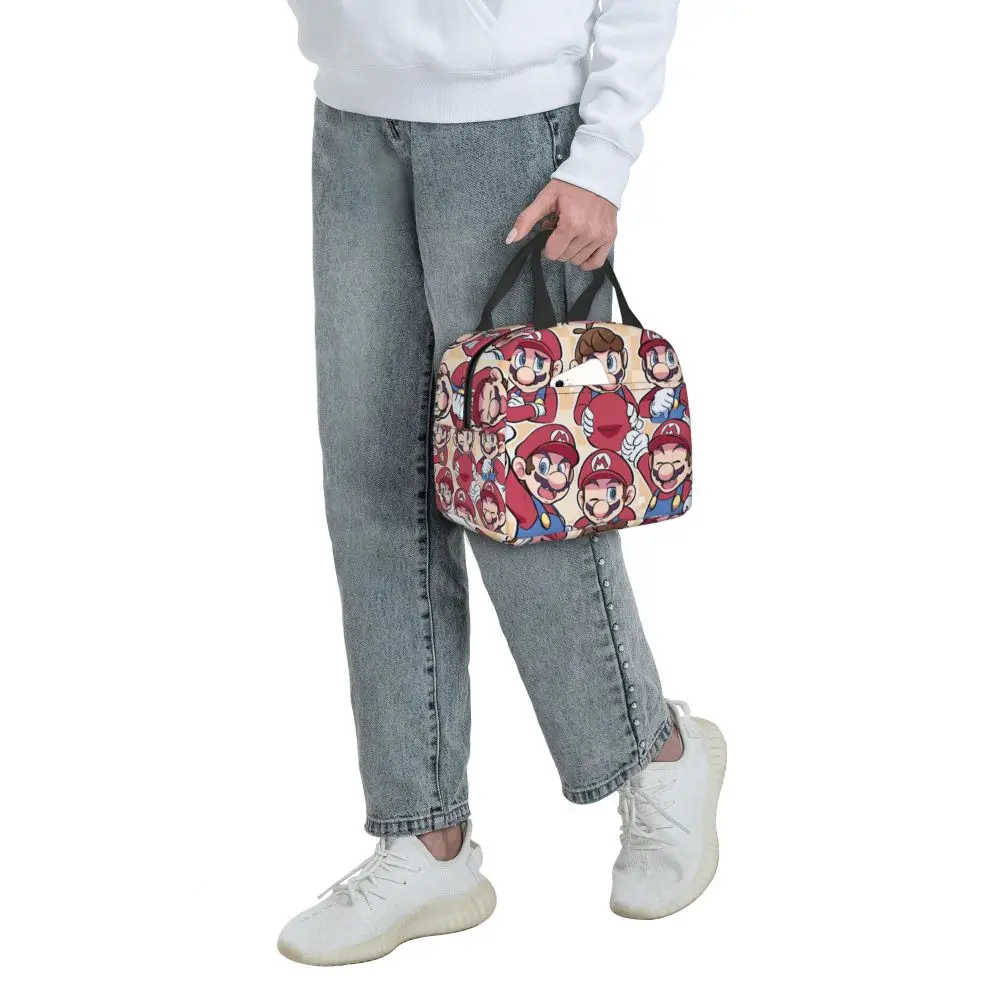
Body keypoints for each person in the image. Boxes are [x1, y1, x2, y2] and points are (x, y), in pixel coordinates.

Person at [277, 0, 726, 965]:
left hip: (513, 130)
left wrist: (602, 154)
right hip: (355, 118)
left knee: (523, 490)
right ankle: (425, 838)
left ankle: (657, 753)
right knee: (372, 492)